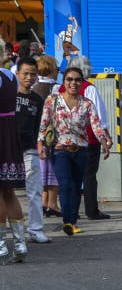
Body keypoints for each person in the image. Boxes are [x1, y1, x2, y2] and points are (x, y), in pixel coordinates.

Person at [38, 67, 109, 236]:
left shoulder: (87, 104)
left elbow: (96, 125)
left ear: (82, 82)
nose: (73, 83)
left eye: (77, 80)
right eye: (69, 79)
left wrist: (104, 141)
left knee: (77, 186)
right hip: (59, 150)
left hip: (81, 150)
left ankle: (72, 220)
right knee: (65, 185)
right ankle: (67, 221)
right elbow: (44, 123)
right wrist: (41, 143)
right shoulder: (52, 100)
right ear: (64, 81)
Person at [63, 56, 112, 221]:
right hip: (89, 139)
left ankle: (72, 211)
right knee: (89, 176)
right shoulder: (90, 89)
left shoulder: (60, 90)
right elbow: (99, 115)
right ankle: (92, 211)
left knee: (71, 176)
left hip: (66, 140)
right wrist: (106, 136)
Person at [15, 57, 50, 244]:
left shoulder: (37, 99)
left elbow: (39, 127)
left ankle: (35, 229)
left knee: (35, 191)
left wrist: (40, 146)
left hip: (29, 150)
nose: (29, 77)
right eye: (25, 73)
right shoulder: (7, 96)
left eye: (33, 74)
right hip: (8, 151)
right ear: (17, 74)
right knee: (6, 193)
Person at [0, 41, 28, 263]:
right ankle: (20, 244)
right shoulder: (11, 76)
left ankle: (0, 246)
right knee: (9, 192)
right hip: (9, 134)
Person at [32, 55, 62, 219]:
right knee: (54, 170)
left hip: (36, 134)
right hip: (53, 134)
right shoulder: (57, 89)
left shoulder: (34, 87)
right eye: (57, 69)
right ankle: (53, 203)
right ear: (51, 70)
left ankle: (44, 202)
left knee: (42, 170)